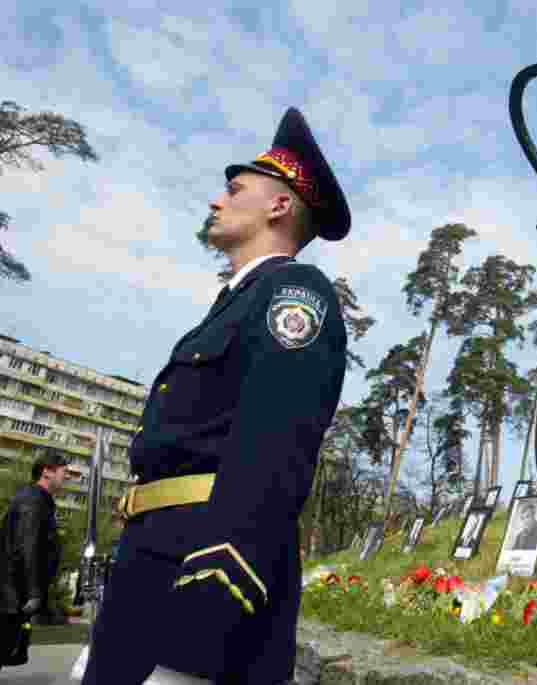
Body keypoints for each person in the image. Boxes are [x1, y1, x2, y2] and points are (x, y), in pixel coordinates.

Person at [81, 108, 350, 685]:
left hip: (198, 585)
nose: (215, 201)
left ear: (279, 205)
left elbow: (271, 453)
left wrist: (195, 646)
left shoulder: (293, 292)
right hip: (151, 570)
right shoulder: (234, 302)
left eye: (234, 189)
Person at [0, 450, 68, 670]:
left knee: (7, 647)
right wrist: (33, 592)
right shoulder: (33, 501)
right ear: (47, 472)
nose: (65, 478)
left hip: (12, 592)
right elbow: (27, 547)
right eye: (63, 473)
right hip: (12, 594)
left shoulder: (37, 500)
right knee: (3, 646)